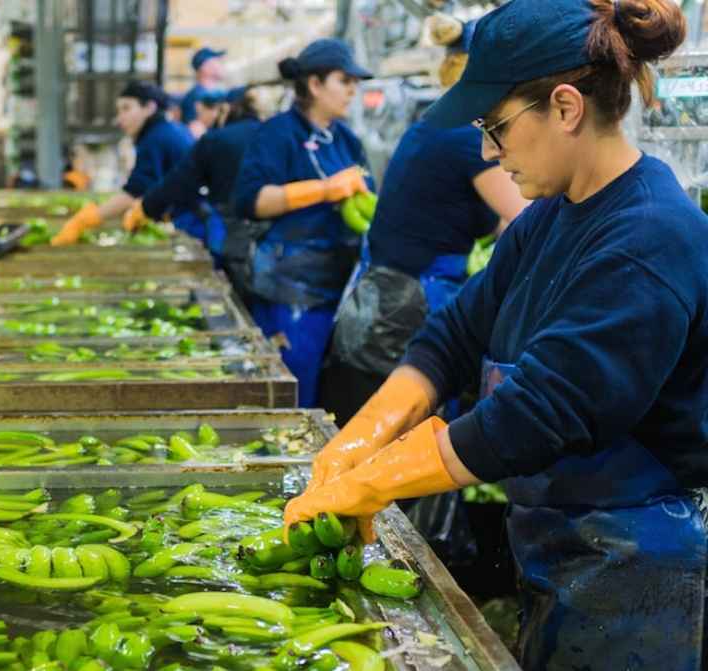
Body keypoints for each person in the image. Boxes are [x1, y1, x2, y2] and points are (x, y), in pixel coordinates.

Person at [283, 2, 708, 670]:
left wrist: (372, 485)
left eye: (496, 127)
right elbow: (455, 334)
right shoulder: (552, 216)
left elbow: (538, 413)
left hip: (641, 569)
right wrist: (356, 443)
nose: (487, 151)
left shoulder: (649, 239)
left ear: (565, 108)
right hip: (562, 545)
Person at [319, 21, 530, 424]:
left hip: (383, 302)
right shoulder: (466, 137)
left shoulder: (433, 124)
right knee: (411, 431)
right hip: (408, 309)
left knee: (385, 429)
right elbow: (526, 219)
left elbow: (484, 218)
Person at [231, 39, 373, 407]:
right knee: (291, 391)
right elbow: (251, 200)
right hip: (288, 289)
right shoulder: (277, 134)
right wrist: (323, 190)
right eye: (345, 81)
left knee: (326, 391)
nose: (353, 90)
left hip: (338, 287)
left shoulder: (346, 139)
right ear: (314, 84)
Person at [125, 89, 261, 274]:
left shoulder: (216, 139)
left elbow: (179, 181)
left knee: (233, 276)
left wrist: (145, 208)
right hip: (271, 235)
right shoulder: (269, 134)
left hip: (232, 230)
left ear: (225, 109)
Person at [52, 81, 193, 245]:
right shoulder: (170, 130)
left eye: (126, 108)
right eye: (118, 111)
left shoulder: (156, 138)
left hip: (191, 220)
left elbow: (136, 191)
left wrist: (85, 220)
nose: (119, 119)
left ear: (149, 108)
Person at [181, 47, 247, 139]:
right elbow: (196, 134)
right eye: (218, 61)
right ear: (204, 67)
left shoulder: (218, 93)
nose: (222, 65)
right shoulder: (196, 97)